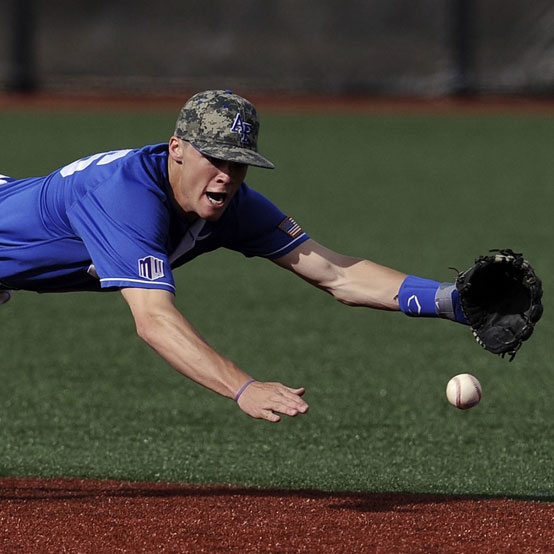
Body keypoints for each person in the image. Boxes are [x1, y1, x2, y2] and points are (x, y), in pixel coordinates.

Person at [0, 90, 466, 423]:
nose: (226, 175)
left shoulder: (233, 206)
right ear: (177, 149)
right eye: (215, 159)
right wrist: (243, 387)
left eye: (238, 162)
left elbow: (336, 274)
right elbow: (153, 321)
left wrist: (448, 299)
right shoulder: (125, 197)